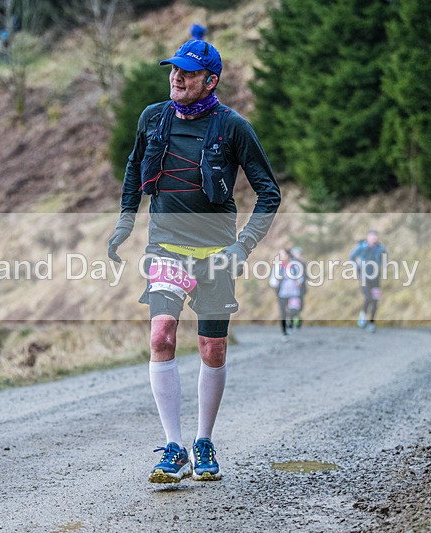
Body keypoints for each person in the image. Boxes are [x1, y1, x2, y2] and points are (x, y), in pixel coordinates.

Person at [107, 40, 281, 483]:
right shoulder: (153, 118)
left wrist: (242, 247)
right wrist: (125, 221)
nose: (176, 77)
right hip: (166, 248)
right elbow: (133, 168)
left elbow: (269, 193)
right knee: (161, 336)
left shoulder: (233, 127)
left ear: (211, 80)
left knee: (212, 349)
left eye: (187, 72)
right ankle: (173, 446)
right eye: (174, 69)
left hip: (216, 254)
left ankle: (203, 440)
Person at [349, 229, 387, 333]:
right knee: (368, 298)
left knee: (375, 301)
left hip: (376, 278)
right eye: (372, 236)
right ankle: (362, 317)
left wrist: (383, 265)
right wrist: (357, 266)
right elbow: (351, 257)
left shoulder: (381, 249)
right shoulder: (361, 247)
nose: (374, 238)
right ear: (367, 237)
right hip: (364, 278)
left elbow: (385, 259)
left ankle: (371, 323)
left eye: (375, 236)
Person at [269, 248, 303, 335]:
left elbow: (300, 278)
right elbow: (272, 280)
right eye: (280, 254)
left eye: (283, 254)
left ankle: (291, 324)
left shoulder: (295, 266)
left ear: (288, 255)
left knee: (294, 310)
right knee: (283, 312)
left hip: (294, 293)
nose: (281, 256)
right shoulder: (278, 267)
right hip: (282, 293)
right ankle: (284, 331)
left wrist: (298, 282)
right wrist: (275, 284)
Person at [289, 246, 307, 329]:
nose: (299, 255)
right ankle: (294, 321)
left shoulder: (302, 263)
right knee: (293, 305)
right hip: (292, 288)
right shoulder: (291, 263)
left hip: (301, 287)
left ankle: (297, 320)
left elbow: (305, 275)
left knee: (300, 306)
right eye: (298, 253)